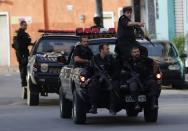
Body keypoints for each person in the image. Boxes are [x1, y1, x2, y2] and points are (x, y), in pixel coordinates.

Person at [88, 43, 117, 114]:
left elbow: (116, 70)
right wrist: (88, 78)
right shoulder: (94, 58)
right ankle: (94, 106)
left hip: (108, 78)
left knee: (113, 87)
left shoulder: (110, 58)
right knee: (93, 86)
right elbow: (89, 70)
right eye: (107, 49)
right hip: (97, 78)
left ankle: (112, 108)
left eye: (108, 49)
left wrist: (112, 78)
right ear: (101, 50)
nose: (108, 50)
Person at [12, 20, 32, 88]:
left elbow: (28, 42)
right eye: (25, 25)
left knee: (22, 66)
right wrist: (19, 49)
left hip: (21, 53)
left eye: (26, 25)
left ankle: (23, 81)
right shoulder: (19, 33)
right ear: (21, 25)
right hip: (21, 53)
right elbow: (15, 42)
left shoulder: (24, 34)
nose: (26, 26)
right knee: (23, 66)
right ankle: (23, 82)